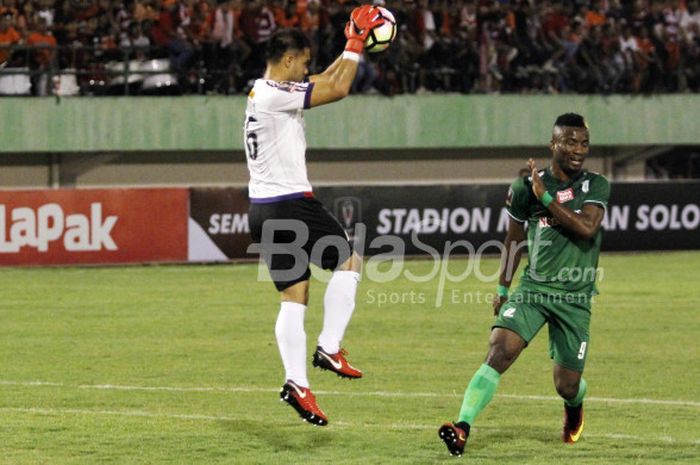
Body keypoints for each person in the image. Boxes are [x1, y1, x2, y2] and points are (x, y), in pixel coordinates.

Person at [438, 113, 611, 456]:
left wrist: (545, 198)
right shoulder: (524, 189)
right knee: (499, 349)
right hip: (534, 290)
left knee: (566, 384)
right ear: (553, 144)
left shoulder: (596, 184)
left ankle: (574, 406)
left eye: (584, 143)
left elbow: (587, 228)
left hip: (575, 298)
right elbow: (514, 240)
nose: (578, 149)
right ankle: (462, 426)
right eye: (570, 142)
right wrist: (503, 289)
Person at [245, 6, 385, 427]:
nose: (308, 69)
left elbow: (326, 79)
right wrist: (358, 41)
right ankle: (328, 347)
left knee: (294, 297)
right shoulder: (274, 95)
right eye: (304, 62)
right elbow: (338, 89)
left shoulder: (261, 88)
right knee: (349, 261)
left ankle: (297, 384)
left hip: (263, 207)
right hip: (292, 203)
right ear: (288, 60)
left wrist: (349, 45)